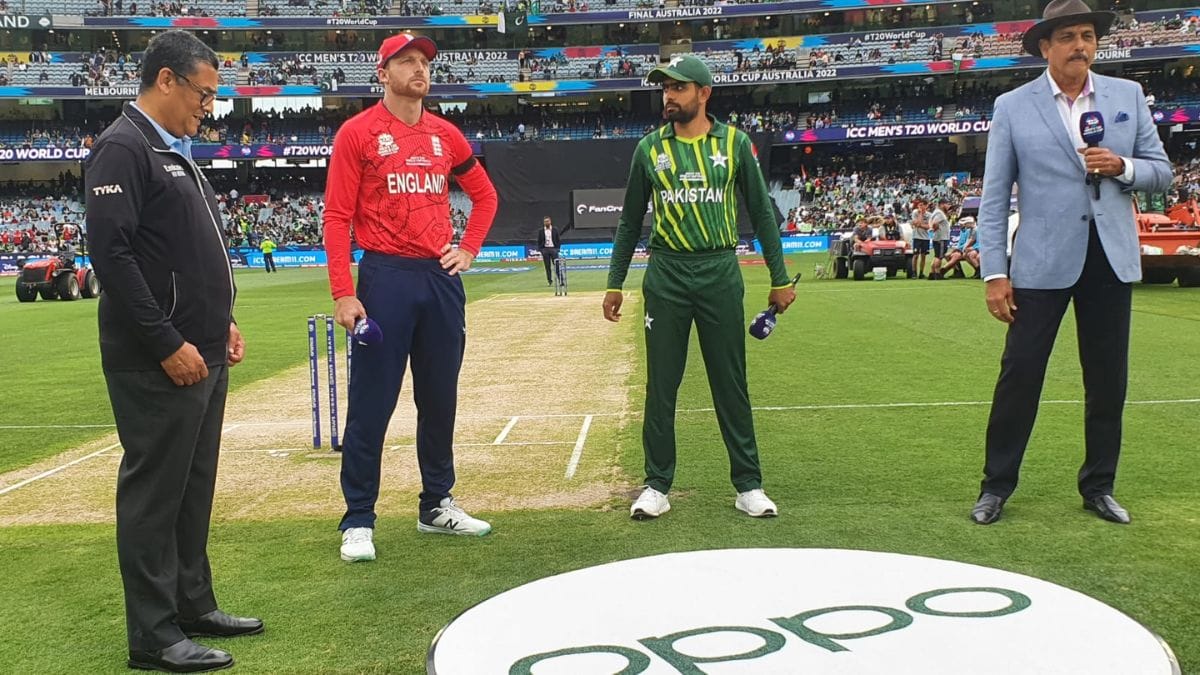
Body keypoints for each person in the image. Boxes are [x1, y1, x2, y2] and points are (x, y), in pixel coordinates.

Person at [84, 30, 262, 674]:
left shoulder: (174, 151)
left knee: (192, 488)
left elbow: (192, 252)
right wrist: (166, 341)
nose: (207, 107)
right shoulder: (122, 148)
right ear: (165, 79)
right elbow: (113, 254)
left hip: (204, 348)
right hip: (159, 357)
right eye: (202, 93)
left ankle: (192, 605)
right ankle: (154, 636)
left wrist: (224, 321)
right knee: (156, 493)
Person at [971, 0, 1172, 526]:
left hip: (1110, 259)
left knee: (1108, 380)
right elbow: (994, 199)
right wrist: (995, 273)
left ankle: (1099, 487)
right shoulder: (1013, 106)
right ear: (1045, 47)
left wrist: (1122, 165)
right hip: (1039, 263)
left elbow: (1161, 172)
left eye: (1087, 35)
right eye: (1067, 37)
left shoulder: (1127, 96)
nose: (1080, 45)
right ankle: (996, 486)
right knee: (1019, 375)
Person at [323, 33, 499, 563]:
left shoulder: (447, 135)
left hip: (440, 279)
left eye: (424, 62)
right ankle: (358, 518)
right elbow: (336, 217)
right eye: (407, 61)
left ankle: (437, 503)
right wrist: (343, 293)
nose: (419, 69)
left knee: (439, 398)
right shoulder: (358, 133)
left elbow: (486, 195)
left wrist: (467, 249)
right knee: (372, 403)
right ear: (383, 73)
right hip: (385, 277)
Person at [603, 55, 796, 520]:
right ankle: (656, 485)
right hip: (666, 274)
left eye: (679, 88)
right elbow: (630, 221)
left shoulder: (735, 143)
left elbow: (762, 212)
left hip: (719, 271)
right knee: (661, 386)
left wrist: (779, 276)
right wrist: (614, 283)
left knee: (730, 383)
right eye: (665, 89)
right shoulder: (649, 149)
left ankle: (748, 484)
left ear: (704, 93)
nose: (668, 96)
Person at [926, 197, 953, 279]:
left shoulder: (936, 212)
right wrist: (934, 228)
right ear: (942, 204)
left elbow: (931, 221)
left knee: (936, 256)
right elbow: (935, 223)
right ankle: (937, 274)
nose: (948, 206)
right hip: (941, 238)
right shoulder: (939, 213)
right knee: (939, 256)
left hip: (939, 237)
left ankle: (932, 273)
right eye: (947, 204)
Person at [536, 215, 561, 285]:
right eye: (545, 222)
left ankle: (560, 280)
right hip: (545, 250)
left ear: (550, 221)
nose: (546, 223)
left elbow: (558, 240)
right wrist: (541, 250)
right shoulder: (541, 231)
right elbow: (539, 241)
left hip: (553, 249)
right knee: (547, 266)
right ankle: (549, 281)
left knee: (557, 265)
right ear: (544, 223)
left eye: (547, 221)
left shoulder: (555, 229)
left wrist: (557, 249)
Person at [910, 199, 932, 278]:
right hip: (917, 237)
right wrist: (920, 214)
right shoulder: (915, 212)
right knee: (915, 255)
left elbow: (928, 227)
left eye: (922, 205)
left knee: (923, 256)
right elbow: (916, 223)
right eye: (919, 205)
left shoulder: (929, 215)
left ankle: (921, 273)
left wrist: (919, 225)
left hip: (925, 237)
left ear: (926, 206)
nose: (920, 207)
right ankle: (914, 272)